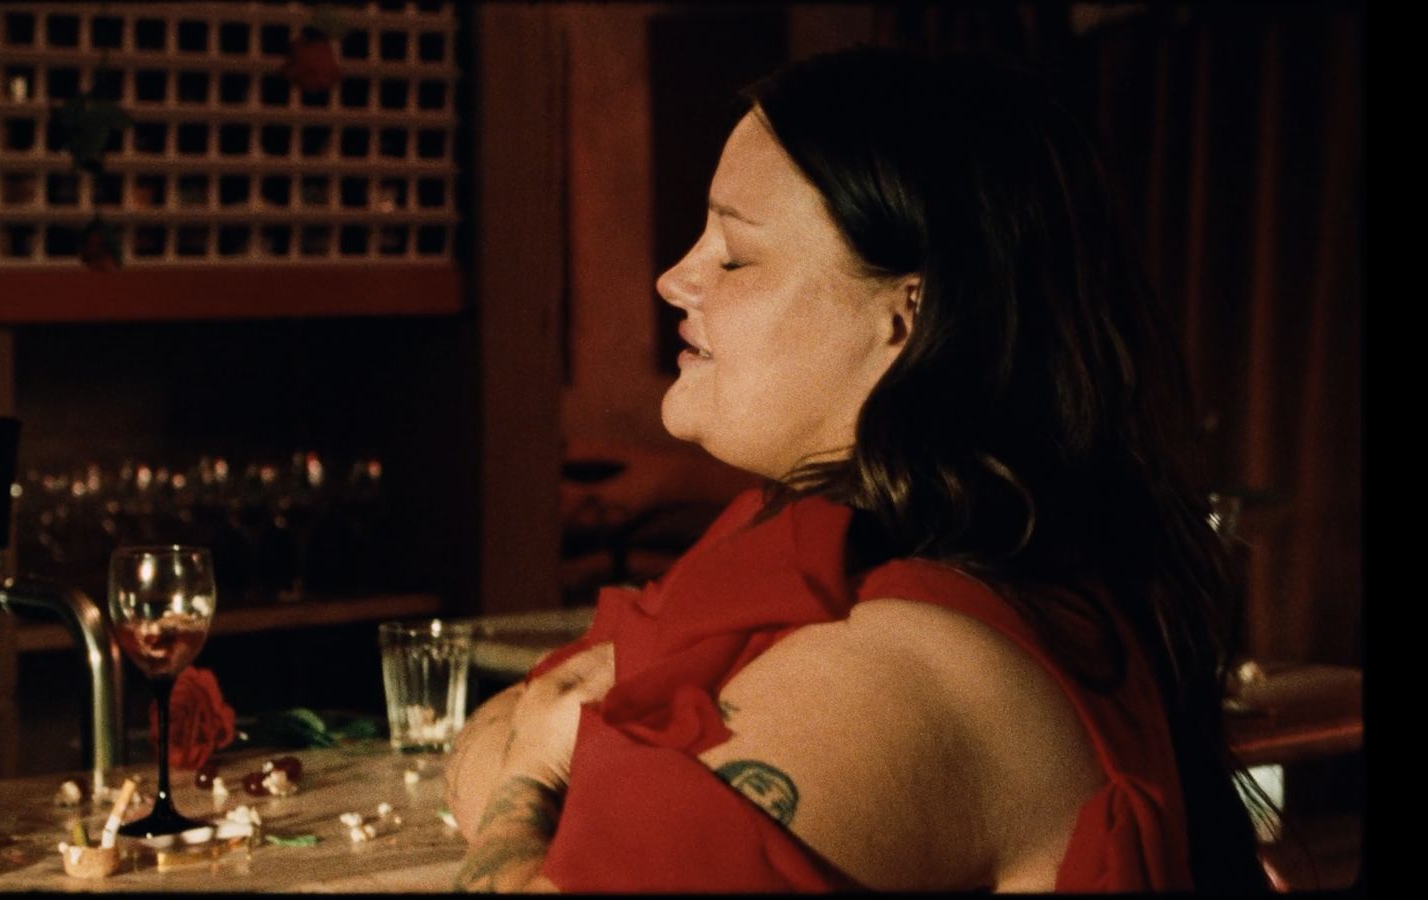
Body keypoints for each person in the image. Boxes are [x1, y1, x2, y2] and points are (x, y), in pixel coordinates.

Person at [443, 45, 1271, 892]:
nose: (673, 278)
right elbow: (544, 715)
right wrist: (548, 768)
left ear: (906, 317)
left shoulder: (909, 674)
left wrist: (534, 780)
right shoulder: (854, 555)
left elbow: (532, 738)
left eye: (734, 254)